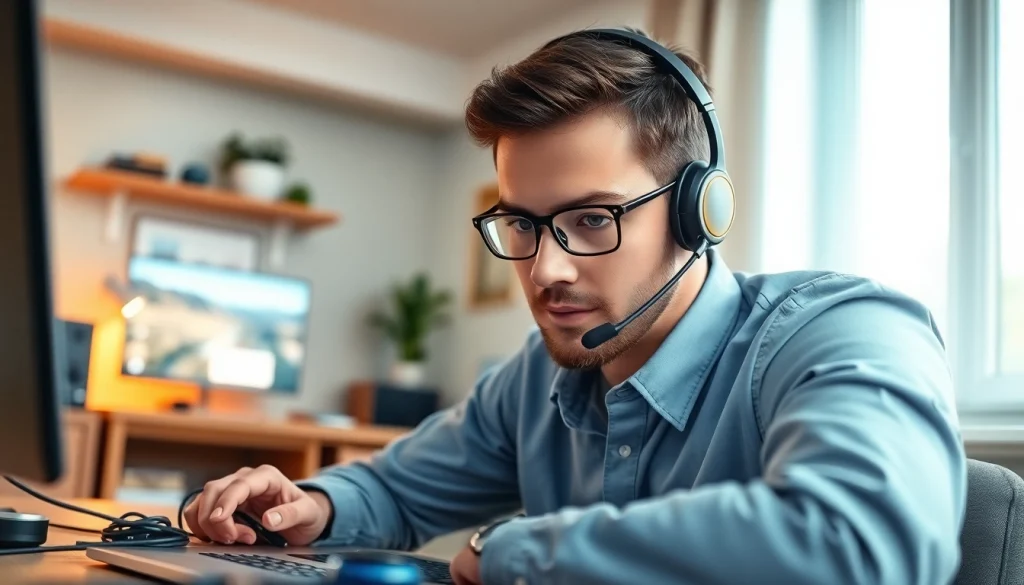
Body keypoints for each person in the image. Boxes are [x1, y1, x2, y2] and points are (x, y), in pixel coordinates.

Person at [183, 28, 966, 585]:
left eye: (592, 218)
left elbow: (867, 544)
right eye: (521, 222)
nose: (545, 269)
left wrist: (525, 550)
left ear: (699, 213)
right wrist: (309, 506)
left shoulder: (846, 329)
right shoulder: (536, 378)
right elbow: (394, 491)